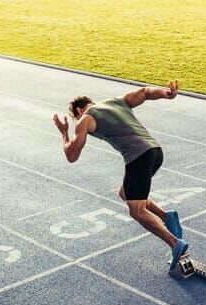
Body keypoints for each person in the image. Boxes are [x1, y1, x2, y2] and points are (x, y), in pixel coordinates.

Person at [52, 80, 187, 271]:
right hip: (155, 152)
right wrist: (167, 94)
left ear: (79, 112)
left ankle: (175, 244)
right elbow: (146, 92)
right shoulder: (115, 101)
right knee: (125, 193)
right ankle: (168, 217)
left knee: (137, 210)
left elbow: (72, 156)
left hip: (138, 156)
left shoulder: (85, 120)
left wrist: (64, 132)